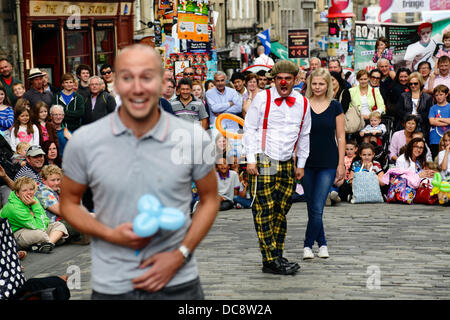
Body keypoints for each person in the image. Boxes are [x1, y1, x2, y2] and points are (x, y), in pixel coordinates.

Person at [59, 44, 219, 299]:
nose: (137, 87)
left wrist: (181, 254)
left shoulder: (193, 138)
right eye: (127, 77)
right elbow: (68, 203)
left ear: (162, 82)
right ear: (116, 84)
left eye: (147, 76)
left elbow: (210, 198)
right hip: (113, 285)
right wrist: (108, 233)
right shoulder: (85, 141)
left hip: (178, 284)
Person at [243, 60, 311, 275]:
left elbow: (304, 134)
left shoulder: (302, 102)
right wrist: (251, 160)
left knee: (281, 210)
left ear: (295, 80)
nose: (283, 82)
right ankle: (271, 259)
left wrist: (300, 163)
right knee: (264, 209)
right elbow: (250, 128)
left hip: (286, 161)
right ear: (273, 80)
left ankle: (275, 255)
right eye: (279, 78)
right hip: (265, 159)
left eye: (288, 79)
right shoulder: (262, 98)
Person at [300, 68, 345, 260]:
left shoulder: (335, 106)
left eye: (321, 83)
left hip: (328, 160)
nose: (317, 87)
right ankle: (323, 243)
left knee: (318, 206)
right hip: (306, 161)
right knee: (312, 205)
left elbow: (341, 137)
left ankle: (308, 245)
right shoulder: (301, 104)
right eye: (314, 83)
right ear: (310, 84)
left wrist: (341, 164)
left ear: (328, 85)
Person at [0, 176, 68, 252]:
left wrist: (35, 204)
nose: (29, 192)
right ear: (17, 193)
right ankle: (47, 242)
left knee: (59, 225)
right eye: (24, 190)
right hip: (15, 234)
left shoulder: (33, 199)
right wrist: (35, 205)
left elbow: (45, 220)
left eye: (31, 189)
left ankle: (48, 244)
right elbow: (39, 228)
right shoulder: (14, 208)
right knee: (40, 234)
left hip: (33, 228)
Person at [428, 85, 450, 159]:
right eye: (436, 95)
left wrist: (438, 119)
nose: (439, 97)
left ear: (446, 94)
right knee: (436, 159)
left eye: (441, 94)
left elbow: (435, 120)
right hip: (435, 139)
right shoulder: (433, 108)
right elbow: (431, 122)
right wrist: (447, 121)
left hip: (448, 139)